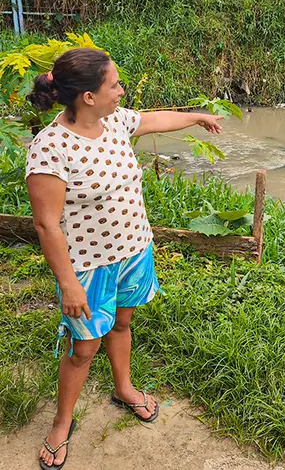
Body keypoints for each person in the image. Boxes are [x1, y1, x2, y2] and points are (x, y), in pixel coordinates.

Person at [25, 48, 224, 469]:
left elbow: (152, 120)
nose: (121, 91)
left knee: (122, 323)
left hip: (134, 248)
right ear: (88, 97)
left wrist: (196, 116)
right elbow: (47, 225)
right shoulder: (51, 148)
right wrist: (68, 283)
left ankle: (124, 388)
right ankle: (62, 423)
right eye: (114, 85)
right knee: (85, 346)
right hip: (89, 266)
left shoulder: (113, 120)